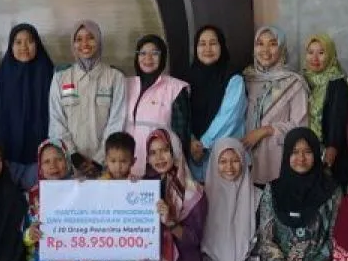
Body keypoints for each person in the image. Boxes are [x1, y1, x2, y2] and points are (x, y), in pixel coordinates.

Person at [256, 128, 341, 261]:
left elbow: (336, 237)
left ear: (316, 154)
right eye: (294, 152)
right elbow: (266, 238)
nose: (301, 158)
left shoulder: (332, 191)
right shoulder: (272, 190)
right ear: (286, 155)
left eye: (307, 152)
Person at [134, 128, 207, 261]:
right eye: (152, 153)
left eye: (164, 150)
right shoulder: (142, 188)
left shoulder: (194, 192)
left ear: (175, 151)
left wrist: (171, 223)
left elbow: (194, 240)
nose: (159, 158)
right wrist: (127, 187)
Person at [23, 139, 96, 261]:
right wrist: (30, 235)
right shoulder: (31, 196)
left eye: (58, 159)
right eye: (46, 161)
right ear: (40, 167)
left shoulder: (83, 190)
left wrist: (131, 183)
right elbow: (21, 237)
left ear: (67, 161)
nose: (53, 166)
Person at [48, 20, 127, 176]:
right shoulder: (60, 78)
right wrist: (73, 155)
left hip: (106, 165)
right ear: (73, 44)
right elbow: (56, 120)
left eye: (91, 37)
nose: (84, 43)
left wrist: (99, 160)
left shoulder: (115, 77)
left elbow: (116, 122)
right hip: (69, 164)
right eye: (79, 39)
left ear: (99, 41)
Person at [0, 23, 55, 190]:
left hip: (40, 159)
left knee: (38, 204)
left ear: (37, 44)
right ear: (11, 46)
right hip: (6, 158)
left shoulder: (50, 76)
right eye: (18, 42)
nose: (24, 47)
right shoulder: (0, 79)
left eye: (30, 41)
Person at [203, 138, 261, 261]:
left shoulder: (258, 198)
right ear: (214, 163)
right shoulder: (202, 198)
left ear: (244, 162)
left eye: (235, 160)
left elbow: (259, 244)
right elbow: (201, 245)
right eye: (223, 161)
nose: (229, 167)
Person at [242, 26, 309, 185]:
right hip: (244, 159)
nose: (265, 50)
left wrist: (265, 130)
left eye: (272, 44)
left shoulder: (293, 83)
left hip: (276, 160)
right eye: (260, 43)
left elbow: (300, 127)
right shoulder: (246, 79)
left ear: (282, 49)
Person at [181, 25, 246, 184]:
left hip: (224, 157)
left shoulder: (233, 77)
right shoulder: (186, 78)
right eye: (202, 44)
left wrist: (203, 144)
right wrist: (190, 140)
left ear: (221, 46)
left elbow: (230, 117)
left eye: (213, 43)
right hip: (192, 156)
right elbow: (182, 114)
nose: (207, 49)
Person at [125, 35, 191, 176]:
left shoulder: (175, 88)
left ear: (163, 57)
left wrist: (175, 169)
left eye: (154, 53)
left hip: (161, 168)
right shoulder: (126, 84)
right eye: (143, 53)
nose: (148, 58)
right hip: (126, 168)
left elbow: (182, 134)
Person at [94, 132, 138, 261]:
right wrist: (81, 189)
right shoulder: (98, 185)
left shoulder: (137, 185)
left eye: (123, 161)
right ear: (106, 160)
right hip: (104, 244)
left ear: (133, 161)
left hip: (128, 244)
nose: (118, 166)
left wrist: (138, 187)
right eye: (113, 161)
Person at [302, 33, 348, 190]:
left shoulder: (338, 83)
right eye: (310, 52)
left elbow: (338, 120)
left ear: (330, 55)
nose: (315, 58)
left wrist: (331, 151)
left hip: (329, 154)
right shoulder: (302, 80)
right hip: (306, 149)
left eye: (321, 52)